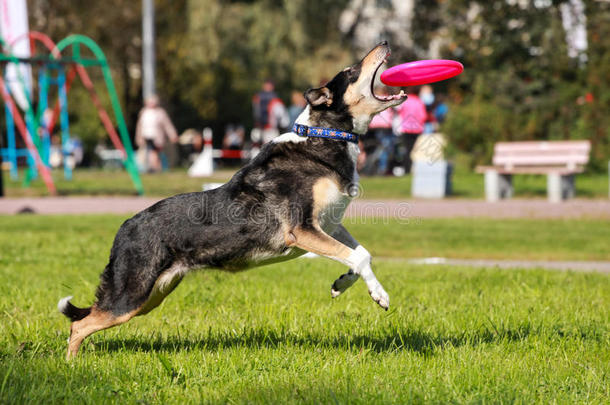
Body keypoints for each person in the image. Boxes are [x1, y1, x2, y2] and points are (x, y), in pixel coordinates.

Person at [135, 95, 178, 173]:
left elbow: (167, 125)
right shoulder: (144, 112)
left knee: (156, 152)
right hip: (147, 136)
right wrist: (138, 137)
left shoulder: (160, 112)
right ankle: (154, 168)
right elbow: (139, 126)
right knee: (152, 152)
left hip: (157, 137)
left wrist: (173, 135)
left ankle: (156, 168)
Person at [394, 86, 426, 174]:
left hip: (406, 129)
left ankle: (407, 169)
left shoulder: (405, 101)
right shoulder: (420, 102)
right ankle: (412, 169)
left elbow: (398, 111)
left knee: (406, 150)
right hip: (417, 130)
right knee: (413, 151)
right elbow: (423, 116)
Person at [366, 87, 395, 175]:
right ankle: (382, 169)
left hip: (373, 127)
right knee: (384, 149)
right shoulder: (387, 99)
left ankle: (371, 167)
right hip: (385, 127)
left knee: (376, 148)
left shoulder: (371, 100)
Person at [252, 79, 290, 143]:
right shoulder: (275, 98)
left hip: (265, 128)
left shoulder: (258, 97)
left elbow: (256, 113)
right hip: (268, 129)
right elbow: (282, 117)